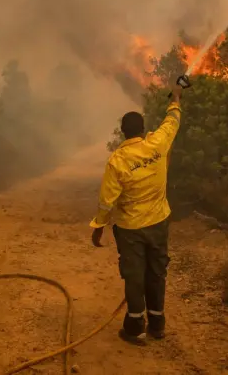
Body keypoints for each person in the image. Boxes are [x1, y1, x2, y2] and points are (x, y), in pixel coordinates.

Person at [90, 82, 184, 345]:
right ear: (142, 129)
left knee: (134, 275)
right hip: (159, 223)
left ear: (122, 132)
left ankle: (135, 327)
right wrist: (176, 97)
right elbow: (172, 120)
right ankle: (157, 324)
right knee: (156, 272)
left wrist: (98, 228)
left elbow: (106, 201)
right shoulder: (158, 143)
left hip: (131, 229)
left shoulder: (118, 161)